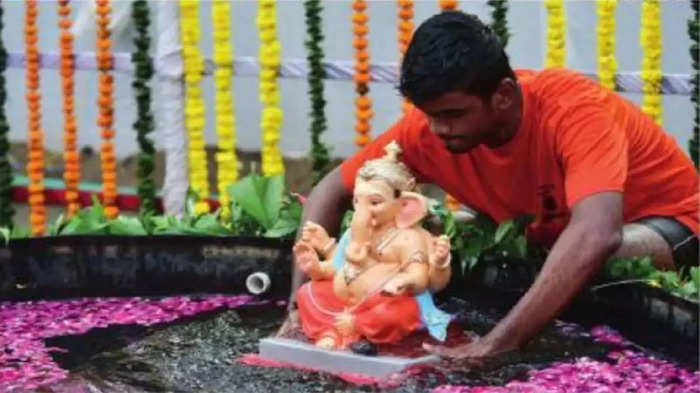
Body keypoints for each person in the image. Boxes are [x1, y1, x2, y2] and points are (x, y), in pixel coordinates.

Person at [280, 11, 699, 359]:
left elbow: (597, 233)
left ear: (502, 95)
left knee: (580, 251)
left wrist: (499, 342)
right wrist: (300, 307)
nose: (439, 128)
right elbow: (330, 190)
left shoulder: (573, 110)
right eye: (429, 114)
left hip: (670, 226)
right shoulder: (428, 131)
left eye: (453, 114)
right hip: (546, 235)